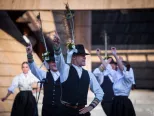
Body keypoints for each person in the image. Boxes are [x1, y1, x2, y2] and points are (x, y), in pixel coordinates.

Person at [52, 34, 104, 116]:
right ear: (74, 57)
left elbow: (100, 92)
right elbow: (59, 59)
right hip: (65, 112)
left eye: (84, 55)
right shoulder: (65, 69)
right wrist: (57, 46)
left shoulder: (89, 74)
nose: (84, 57)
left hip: (82, 112)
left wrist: (90, 107)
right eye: (81, 55)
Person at [26, 43, 61, 116]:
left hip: (61, 110)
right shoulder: (44, 75)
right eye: (52, 62)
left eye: (56, 62)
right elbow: (34, 69)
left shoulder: (64, 76)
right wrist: (29, 55)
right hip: (47, 110)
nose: (54, 64)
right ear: (49, 63)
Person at [102, 47, 136, 116]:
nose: (117, 67)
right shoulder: (116, 77)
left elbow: (122, 68)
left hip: (124, 103)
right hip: (115, 102)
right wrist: (99, 56)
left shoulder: (127, 79)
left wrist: (115, 55)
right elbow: (107, 67)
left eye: (118, 65)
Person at [93, 50, 117, 116]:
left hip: (117, 101)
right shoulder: (101, 75)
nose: (114, 66)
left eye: (115, 64)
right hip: (106, 102)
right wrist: (105, 63)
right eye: (112, 64)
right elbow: (95, 72)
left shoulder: (115, 73)